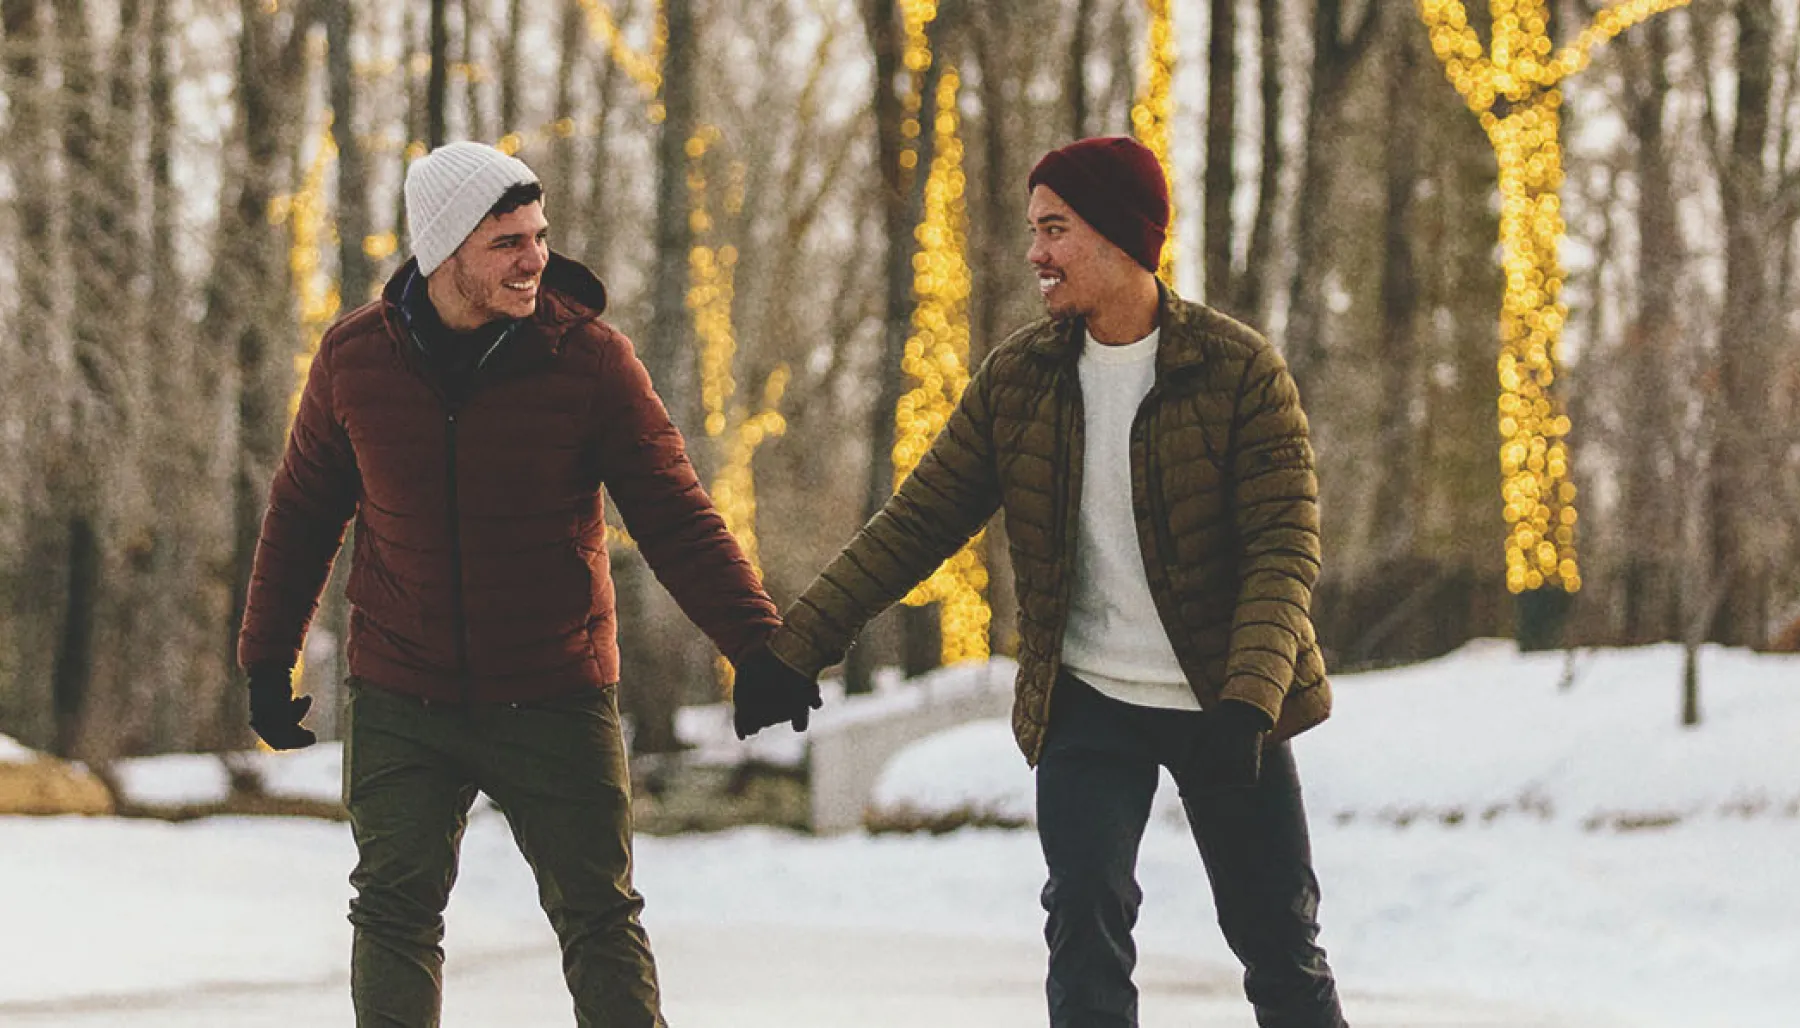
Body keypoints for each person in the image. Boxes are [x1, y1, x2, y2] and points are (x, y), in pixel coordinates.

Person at [737, 136, 1347, 1027]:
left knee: (1277, 944)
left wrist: (1250, 703)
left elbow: (1283, 548)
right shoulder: (1021, 380)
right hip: (1089, 700)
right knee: (1084, 931)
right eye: (1033, 230)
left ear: (1119, 237)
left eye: (1055, 230)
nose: (1036, 255)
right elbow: (918, 521)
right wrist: (797, 650)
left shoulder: (1239, 371)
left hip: (1226, 703)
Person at [236, 140, 816, 1027]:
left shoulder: (588, 361)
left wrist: (758, 645)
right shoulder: (355, 359)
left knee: (598, 916)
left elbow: (673, 510)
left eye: (538, 236)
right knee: (392, 914)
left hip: (554, 688)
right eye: (507, 241)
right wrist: (267, 659)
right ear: (443, 249)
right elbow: (304, 511)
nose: (534, 259)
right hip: (402, 690)